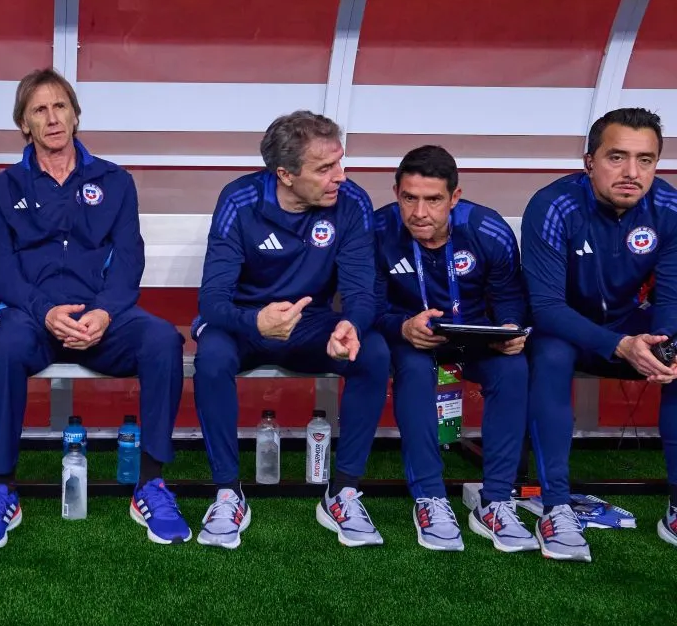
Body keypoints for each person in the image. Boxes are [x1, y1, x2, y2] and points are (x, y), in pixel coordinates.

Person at [0, 68, 190, 548]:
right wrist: (46, 311)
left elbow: (129, 258)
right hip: (32, 317)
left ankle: (151, 483)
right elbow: (0, 271)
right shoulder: (2, 188)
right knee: (4, 350)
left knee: (161, 340)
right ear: (24, 125)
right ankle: (1, 487)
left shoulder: (114, 181)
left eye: (60, 107)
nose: (52, 119)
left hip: (101, 318)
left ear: (75, 114)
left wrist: (105, 313)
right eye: (39, 110)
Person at [192, 110, 390, 550]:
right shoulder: (239, 200)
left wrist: (351, 325)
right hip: (244, 320)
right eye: (324, 168)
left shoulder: (352, 202)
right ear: (285, 174)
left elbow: (361, 290)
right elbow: (213, 300)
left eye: (340, 161)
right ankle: (227, 492)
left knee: (372, 353)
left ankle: (343, 493)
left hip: (310, 322)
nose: (340, 175)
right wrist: (255, 321)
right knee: (210, 359)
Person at [523, 107, 677, 562]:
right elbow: (546, 308)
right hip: (565, 329)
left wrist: (663, 342)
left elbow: (670, 297)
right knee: (549, 355)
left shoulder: (668, 208)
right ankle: (554, 505)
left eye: (645, 160)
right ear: (589, 160)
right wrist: (620, 345)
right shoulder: (553, 205)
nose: (632, 172)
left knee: (676, 354)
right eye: (617, 157)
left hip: (632, 327)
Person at [373, 145, 538, 553]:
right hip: (413, 336)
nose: (419, 212)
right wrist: (400, 325)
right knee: (413, 370)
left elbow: (509, 299)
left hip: (475, 334)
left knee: (514, 369)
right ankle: (430, 497)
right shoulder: (377, 231)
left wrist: (510, 328)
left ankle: (497, 500)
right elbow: (366, 307)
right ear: (396, 192)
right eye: (409, 198)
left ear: (455, 197)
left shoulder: (488, 230)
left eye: (433, 200)